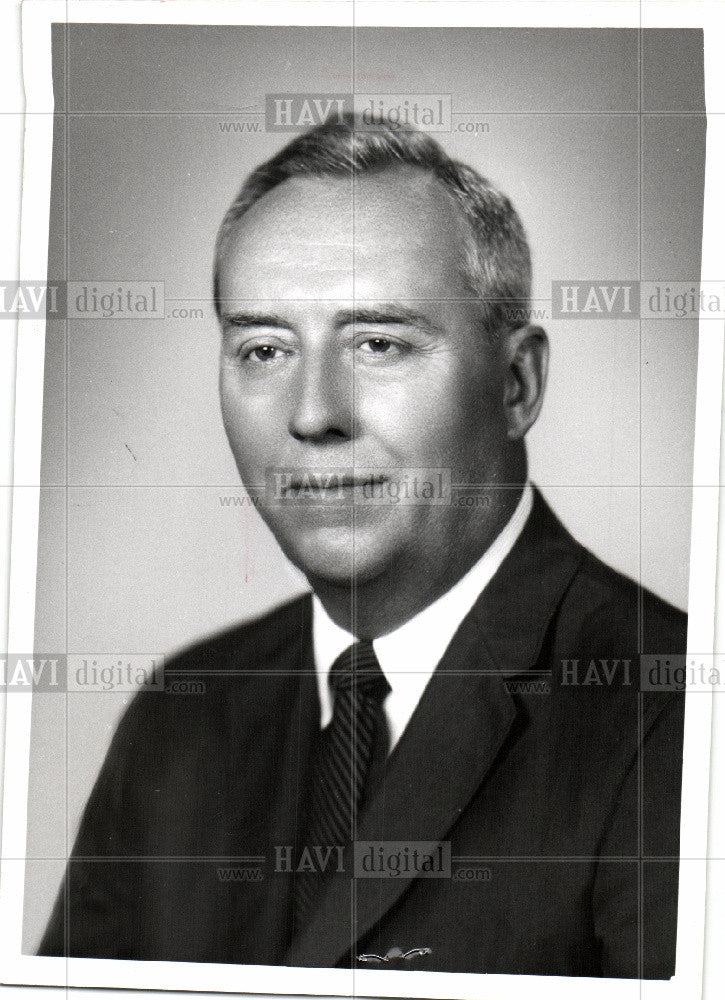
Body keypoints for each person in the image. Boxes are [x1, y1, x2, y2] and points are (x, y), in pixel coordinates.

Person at [40, 114, 686, 979]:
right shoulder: (180, 717)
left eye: (377, 344)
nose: (312, 414)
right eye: (264, 348)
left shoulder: (671, 717)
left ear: (516, 384)